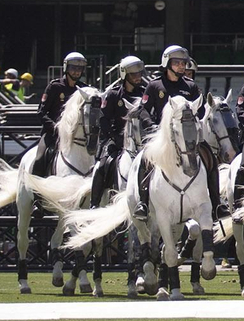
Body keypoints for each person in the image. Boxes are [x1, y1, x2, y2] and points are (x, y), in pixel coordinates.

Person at [141, 45, 223, 219]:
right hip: (162, 136)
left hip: (188, 136)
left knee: (210, 157)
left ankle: (217, 203)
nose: (181, 66)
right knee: (144, 159)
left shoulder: (191, 86)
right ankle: (142, 202)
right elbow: (143, 110)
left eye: (183, 63)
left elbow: (201, 111)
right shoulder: (154, 86)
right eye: (177, 63)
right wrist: (151, 126)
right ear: (167, 63)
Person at [90, 55, 146, 210]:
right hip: (114, 139)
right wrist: (116, 138)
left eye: (139, 74)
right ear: (124, 75)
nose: (138, 77)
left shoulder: (144, 94)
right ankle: (94, 202)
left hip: (140, 139)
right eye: (133, 74)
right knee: (103, 165)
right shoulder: (113, 94)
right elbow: (103, 120)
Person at [30, 52, 88, 177]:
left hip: (76, 136)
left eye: (79, 69)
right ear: (66, 68)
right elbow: (41, 113)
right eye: (73, 68)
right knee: (39, 159)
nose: (76, 72)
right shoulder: (55, 86)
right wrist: (56, 128)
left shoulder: (84, 89)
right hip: (53, 134)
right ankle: (36, 189)